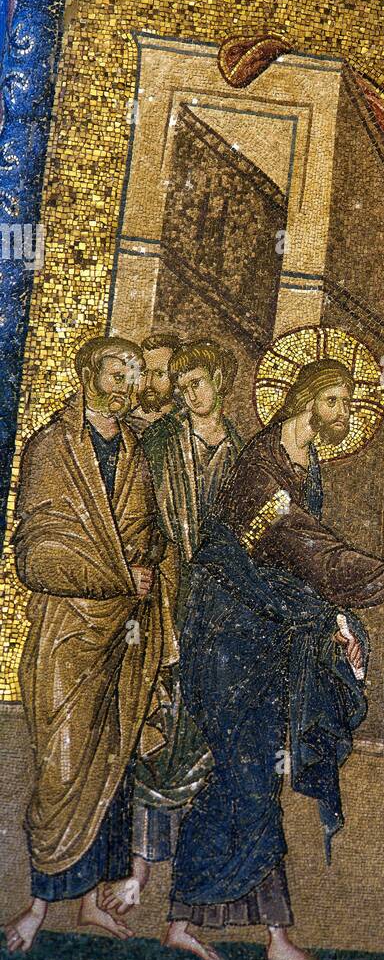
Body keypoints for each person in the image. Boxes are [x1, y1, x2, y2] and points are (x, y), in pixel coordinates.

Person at [166, 357, 384, 960]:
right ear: (307, 399)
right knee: (248, 771)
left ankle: (191, 921)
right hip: (225, 634)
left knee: (245, 772)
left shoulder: (305, 465)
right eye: (336, 399)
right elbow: (319, 558)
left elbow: (301, 566)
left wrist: (335, 623)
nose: (346, 412)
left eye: (348, 400)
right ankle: (269, 937)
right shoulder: (265, 468)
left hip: (263, 632)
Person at [3, 337, 170, 953]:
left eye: (135, 373)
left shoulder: (131, 450)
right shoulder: (52, 447)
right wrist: (119, 574)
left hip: (122, 636)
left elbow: (144, 534)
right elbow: (37, 551)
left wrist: (144, 565)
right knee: (63, 769)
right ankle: (39, 907)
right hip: (68, 634)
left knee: (113, 764)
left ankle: (93, 902)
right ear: (86, 373)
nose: (128, 383)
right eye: (115, 371)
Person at [104, 339, 245, 915]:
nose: (187, 397)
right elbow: (137, 515)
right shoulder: (159, 444)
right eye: (180, 388)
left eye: (196, 385)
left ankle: (194, 891)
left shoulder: (244, 453)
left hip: (223, 610)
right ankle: (138, 870)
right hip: (164, 600)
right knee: (156, 729)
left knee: (210, 738)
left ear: (219, 382)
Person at [126, 330, 183, 435]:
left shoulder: (184, 425)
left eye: (159, 374)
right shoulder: (124, 423)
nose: (148, 383)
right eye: (143, 373)